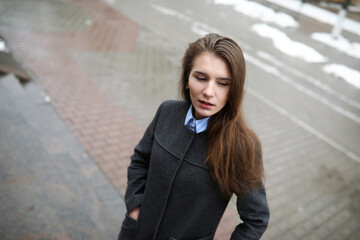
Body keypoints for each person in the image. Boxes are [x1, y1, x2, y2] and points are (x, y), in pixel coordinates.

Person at [118, 33, 269, 240]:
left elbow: (256, 219)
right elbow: (140, 161)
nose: (209, 91)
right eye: (201, 78)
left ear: (234, 90)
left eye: (223, 83)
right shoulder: (167, 112)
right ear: (187, 79)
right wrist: (135, 209)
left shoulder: (242, 147)